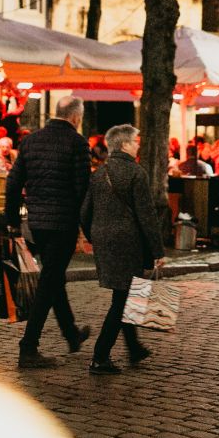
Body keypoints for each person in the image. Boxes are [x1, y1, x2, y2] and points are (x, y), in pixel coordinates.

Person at [6, 96, 94, 369]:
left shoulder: (31, 140)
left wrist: (11, 219)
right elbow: (83, 190)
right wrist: (88, 229)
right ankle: (28, 347)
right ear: (76, 118)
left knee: (53, 277)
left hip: (37, 224)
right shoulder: (77, 143)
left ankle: (71, 334)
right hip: (63, 223)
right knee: (49, 281)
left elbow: (14, 181)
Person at [80, 124, 164, 374]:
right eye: (136, 141)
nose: (138, 144)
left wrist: (93, 236)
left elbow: (85, 212)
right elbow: (146, 215)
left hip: (104, 240)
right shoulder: (135, 173)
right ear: (125, 145)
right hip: (128, 242)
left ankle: (134, 347)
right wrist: (158, 250)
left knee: (125, 292)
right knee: (122, 299)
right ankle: (100, 356)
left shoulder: (98, 173)